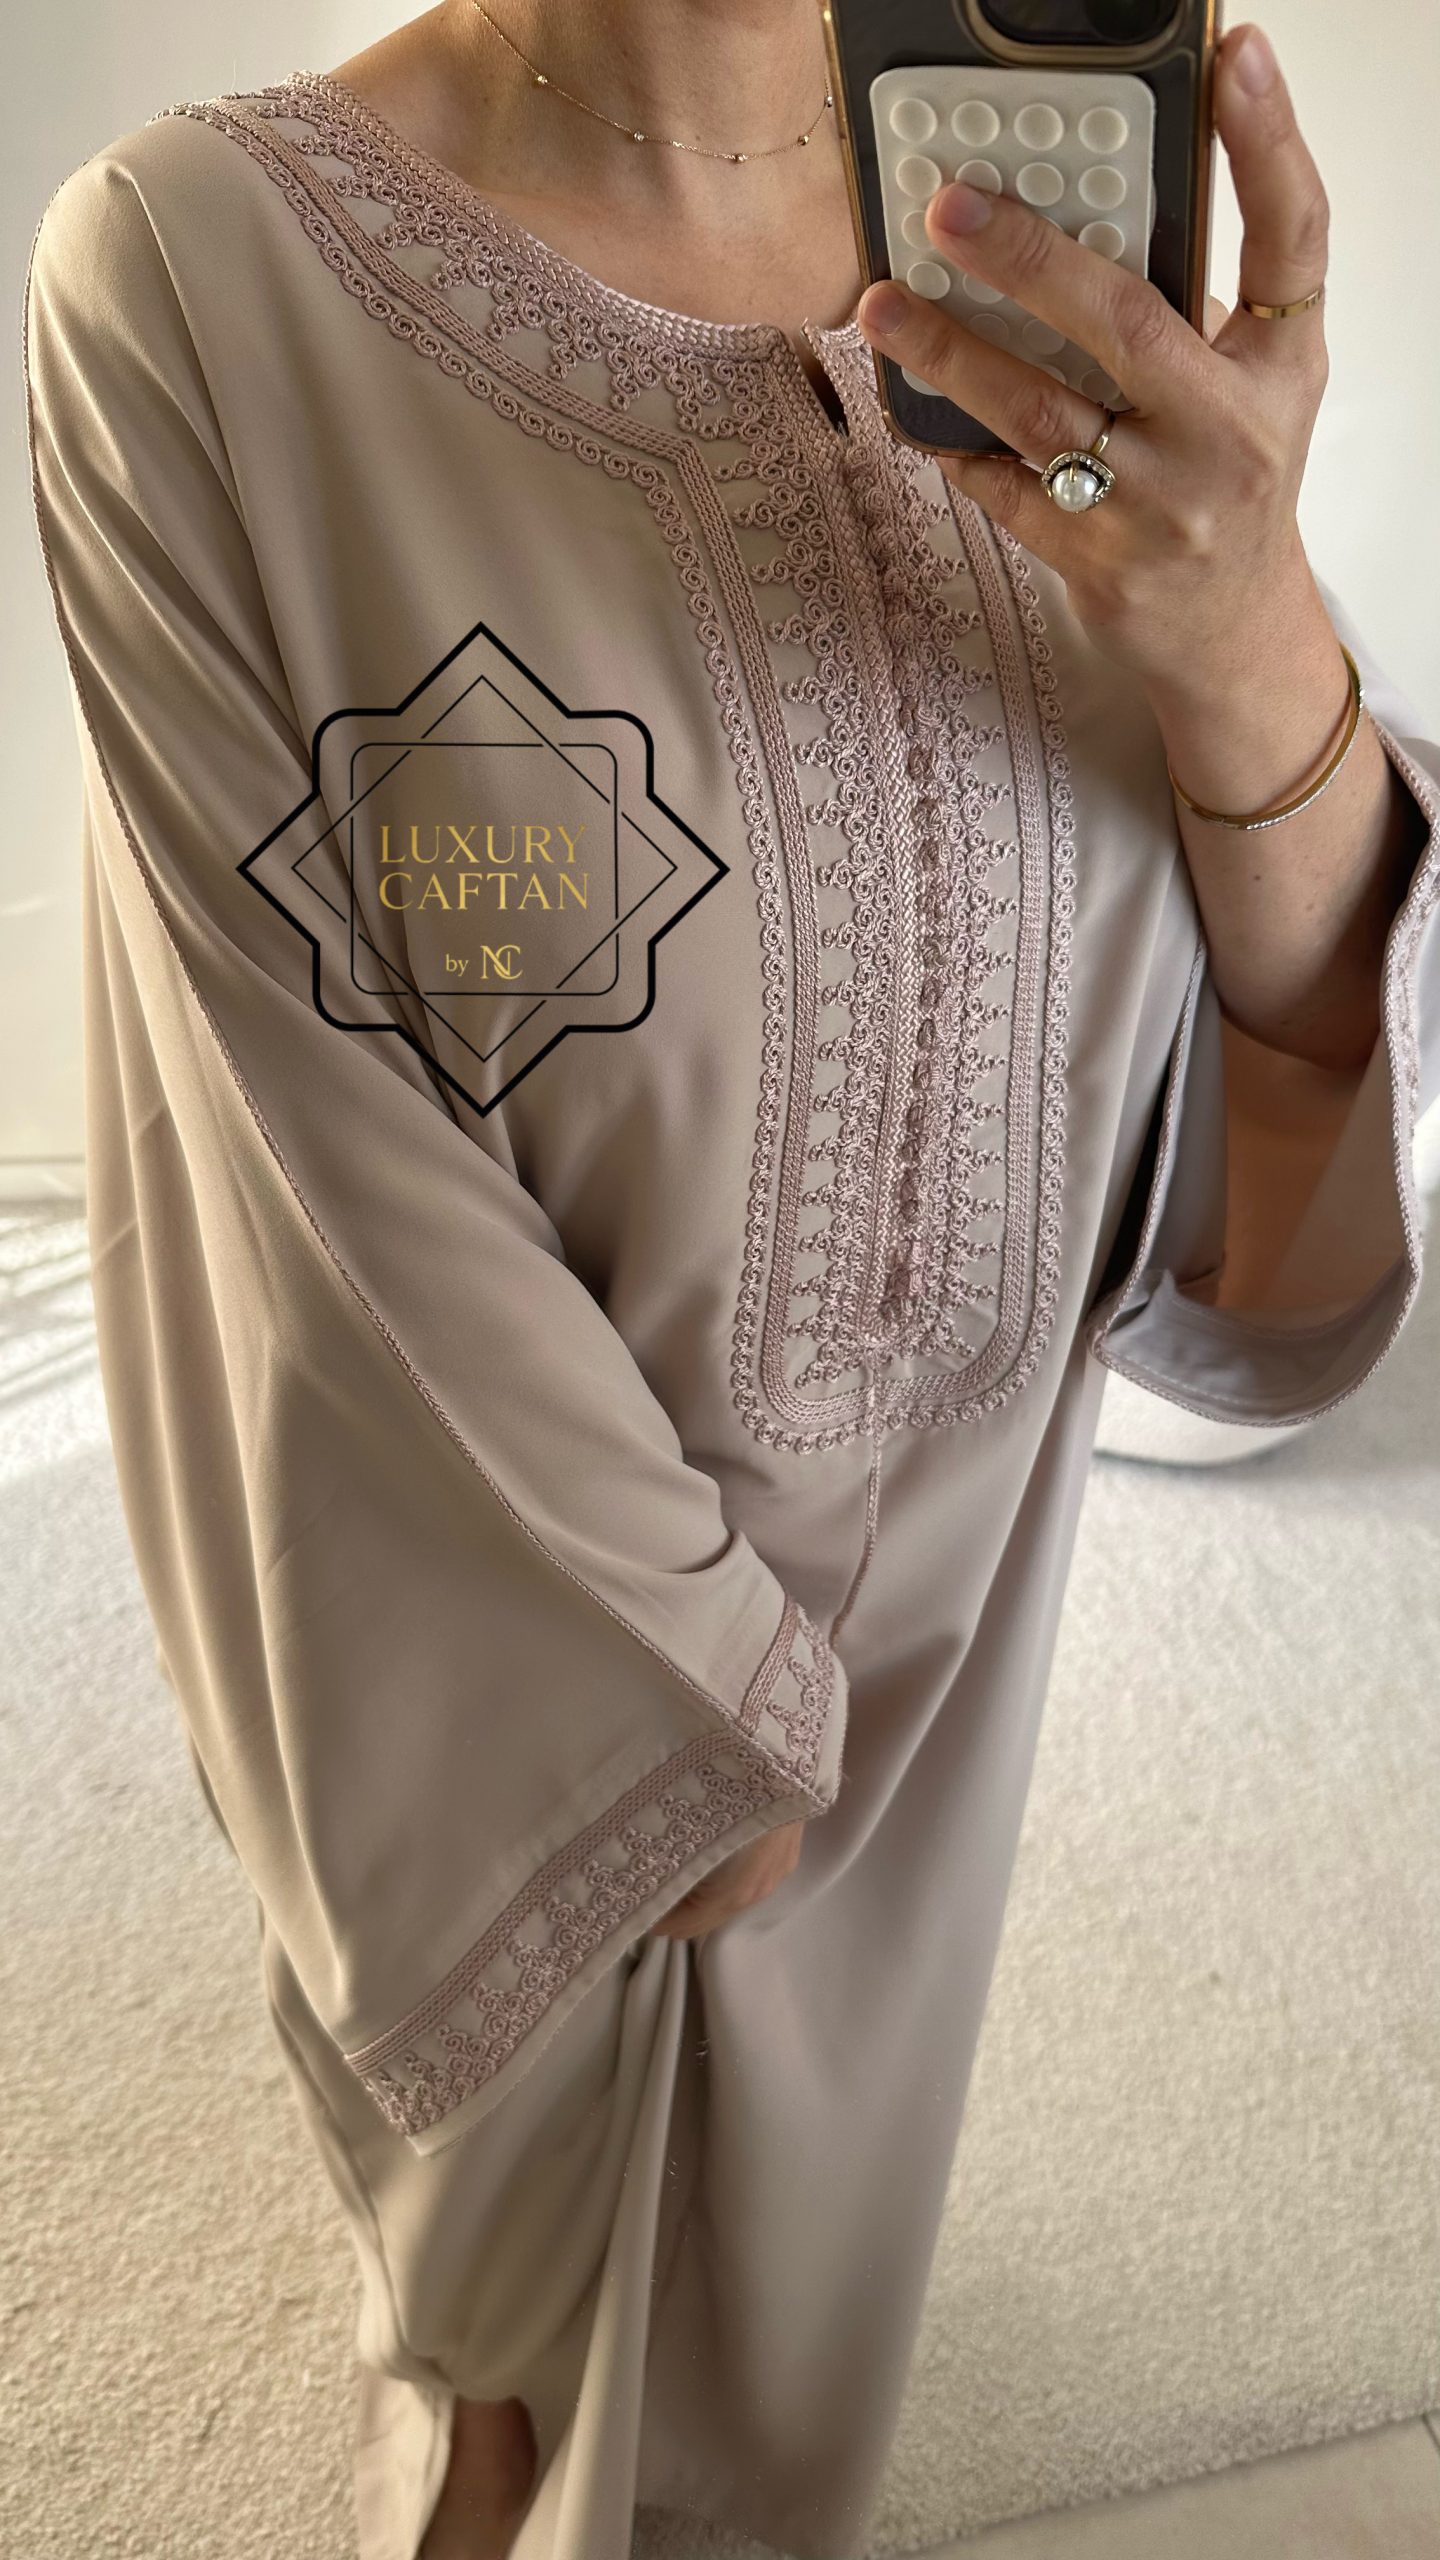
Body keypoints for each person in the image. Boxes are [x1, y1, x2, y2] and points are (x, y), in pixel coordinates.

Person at [23, 5, 1439, 2556]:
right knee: (523, 2388)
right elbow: (302, 1177)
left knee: (794, 2362)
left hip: (958, 1658)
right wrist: (688, 1727)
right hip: (524, 1681)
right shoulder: (205, 286)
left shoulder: (1041, 231)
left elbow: (1251, 1183)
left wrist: (1252, 642)